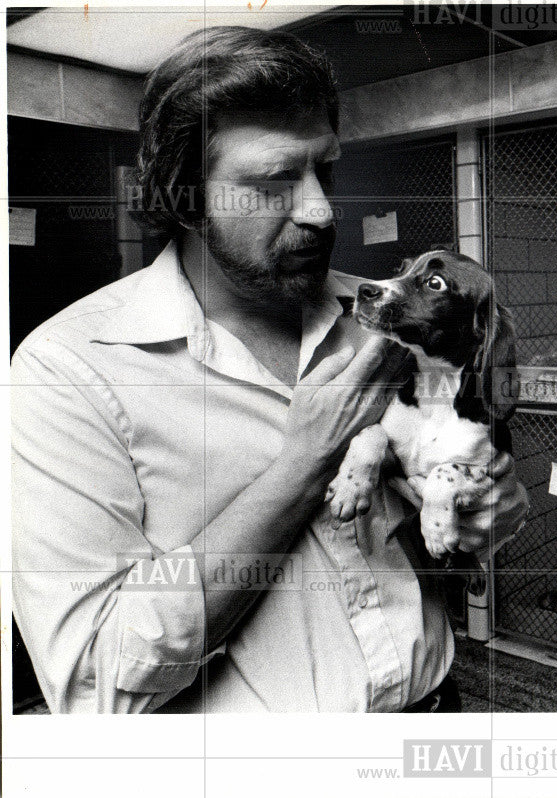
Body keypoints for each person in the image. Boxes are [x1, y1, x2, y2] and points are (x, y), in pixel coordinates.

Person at [9, 26, 527, 713]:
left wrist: (485, 517)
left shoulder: (383, 328)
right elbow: (94, 684)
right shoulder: (68, 374)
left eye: (325, 171)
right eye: (274, 181)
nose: (318, 210)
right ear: (185, 198)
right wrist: (304, 463)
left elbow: (432, 546)